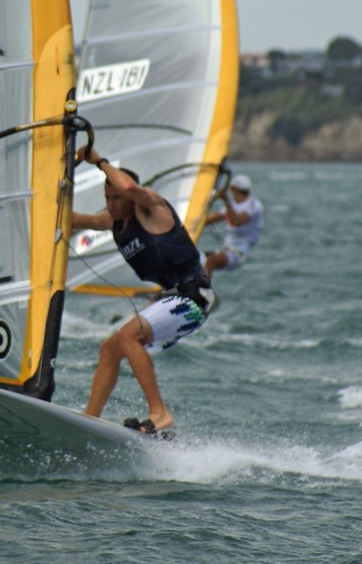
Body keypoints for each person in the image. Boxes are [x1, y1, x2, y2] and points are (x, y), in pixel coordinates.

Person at [72, 147, 215, 435]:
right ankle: (89, 420)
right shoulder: (113, 222)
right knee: (109, 349)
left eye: (117, 199)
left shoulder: (153, 208)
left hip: (194, 297)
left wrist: (98, 159)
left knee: (128, 336)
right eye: (107, 199)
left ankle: (159, 413)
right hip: (173, 298)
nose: (112, 205)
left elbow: (129, 186)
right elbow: (71, 219)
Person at [203, 174, 264, 278]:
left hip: (238, 253)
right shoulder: (231, 208)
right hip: (225, 250)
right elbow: (205, 221)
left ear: (232, 189)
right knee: (194, 259)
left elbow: (237, 221)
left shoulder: (254, 205)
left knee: (211, 261)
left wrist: (226, 201)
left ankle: (203, 289)